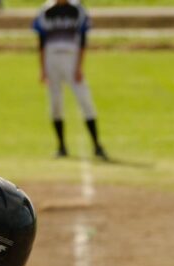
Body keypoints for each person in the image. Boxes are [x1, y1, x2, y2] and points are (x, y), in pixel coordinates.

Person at [33, 0, 108, 160]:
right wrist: (43, 69)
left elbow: (82, 40)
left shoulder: (77, 9)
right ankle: (61, 146)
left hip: (71, 60)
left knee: (85, 101)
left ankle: (97, 145)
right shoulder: (46, 10)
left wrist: (79, 66)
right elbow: (41, 42)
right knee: (55, 104)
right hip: (52, 61)